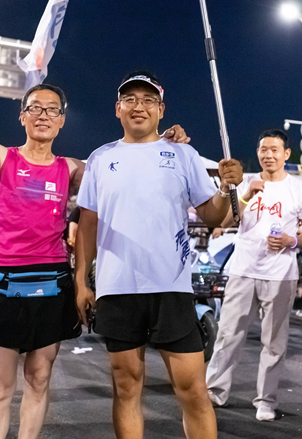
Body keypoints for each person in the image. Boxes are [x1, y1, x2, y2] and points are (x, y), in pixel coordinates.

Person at [0, 68, 192, 439]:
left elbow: (125, 164)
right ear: (22, 116)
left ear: (62, 120)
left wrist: (160, 141)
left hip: (52, 283)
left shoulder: (70, 169)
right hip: (4, 282)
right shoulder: (0, 159)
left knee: (38, 380)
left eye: (52, 110)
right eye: (34, 108)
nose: (43, 115)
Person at [74, 71, 243, 439]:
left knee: (193, 390)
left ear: (161, 110)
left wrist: (226, 188)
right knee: (126, 386)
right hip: (117, 288)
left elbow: (214, 216)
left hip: (172, 286)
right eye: (130, 99)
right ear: (117, 108)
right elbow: (87, 224)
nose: (139, 106)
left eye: (149, 100)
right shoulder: (100, 158)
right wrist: (81, 282)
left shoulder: (183, 154)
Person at [205, 129, 302, 422]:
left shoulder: (299, 190)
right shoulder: (245, 182)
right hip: (243, 269)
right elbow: (226, 221)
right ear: (257, 153)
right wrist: (245, 195)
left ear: (286, 154)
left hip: (280, 274)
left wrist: (291, 241)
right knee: (228, 334)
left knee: (274, 341)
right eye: (263, 150)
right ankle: (214, 391)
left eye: (274, 150)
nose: (268, 155)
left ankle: (266, 401)